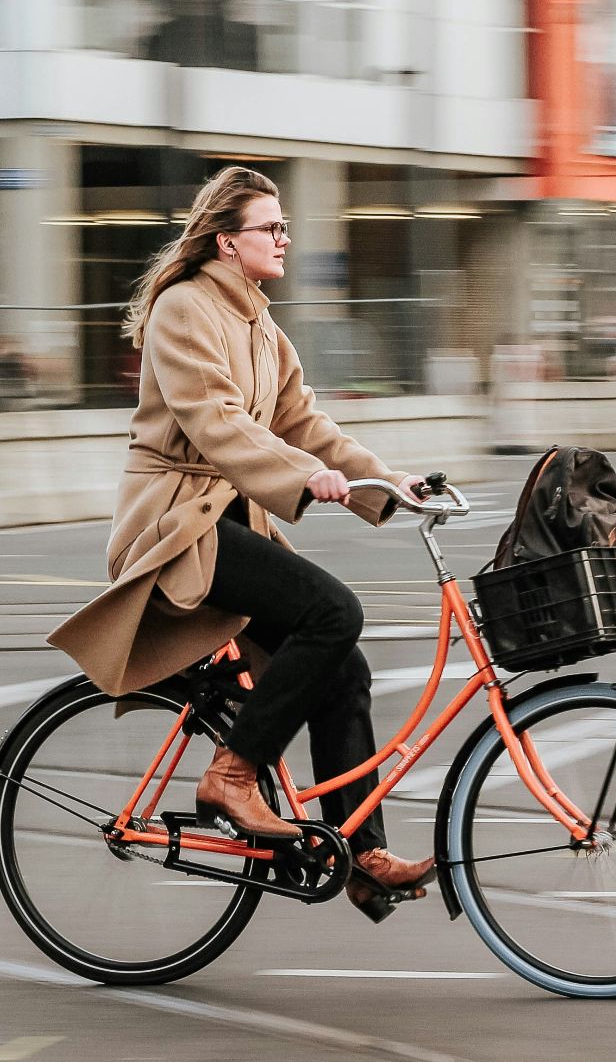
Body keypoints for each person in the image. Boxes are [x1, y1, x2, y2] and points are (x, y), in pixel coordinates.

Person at [46, 167, 437, 921]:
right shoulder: (184, 310)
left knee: (343, 667)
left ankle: (361, 853)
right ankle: (233, 775)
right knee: (334, 612)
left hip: (228, 520)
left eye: (286, 226)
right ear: (227, 240)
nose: (285, 238)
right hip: (179, 521)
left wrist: (390, 482)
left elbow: (306, 425)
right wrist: (305, 477)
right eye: (272, 227)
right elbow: (217, 425)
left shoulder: (261, 325)